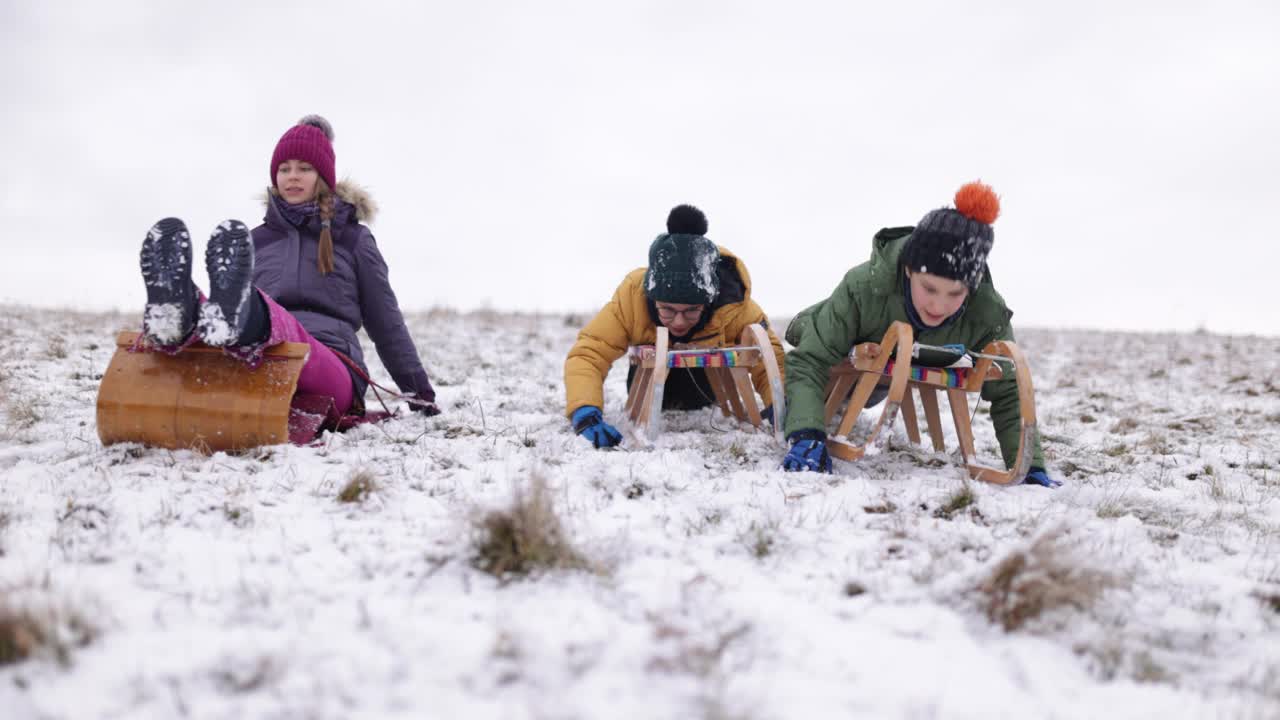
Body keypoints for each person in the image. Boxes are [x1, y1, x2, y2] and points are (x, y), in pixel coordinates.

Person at [138, 114, 439, 427]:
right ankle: (179, 310)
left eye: (304, 168)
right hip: (256, 359)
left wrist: (420, 395)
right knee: (219, 315)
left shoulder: (352, 239)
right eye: (285, 169)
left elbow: (386, 323)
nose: (292, 176)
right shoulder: (256, 241)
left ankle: (242, 313)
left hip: (332, 366)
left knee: (274, 320)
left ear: (323, 176)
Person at [780, 181, 1058, 487]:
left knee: (870, 387)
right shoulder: (865, 287)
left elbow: (1008, 391)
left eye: (955, 294)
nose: (939, 305)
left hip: (902, 362)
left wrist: (1028, 465)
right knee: (820, 376)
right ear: (910, 270)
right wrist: (806, 432)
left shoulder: (985, 311)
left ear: (971, 288)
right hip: (842, 344)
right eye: (929, 289)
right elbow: (810, 360)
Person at [563, 205, 786, 448]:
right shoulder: (632, 296)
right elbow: (591, 351)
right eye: (667, 310)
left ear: (709, 301)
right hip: (646, 386)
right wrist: (585, 410)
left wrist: (780, 403)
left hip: (707, 388)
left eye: (691, 311)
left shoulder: (733, 303)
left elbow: (768, 356)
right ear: (652, 297)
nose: (679, 322)